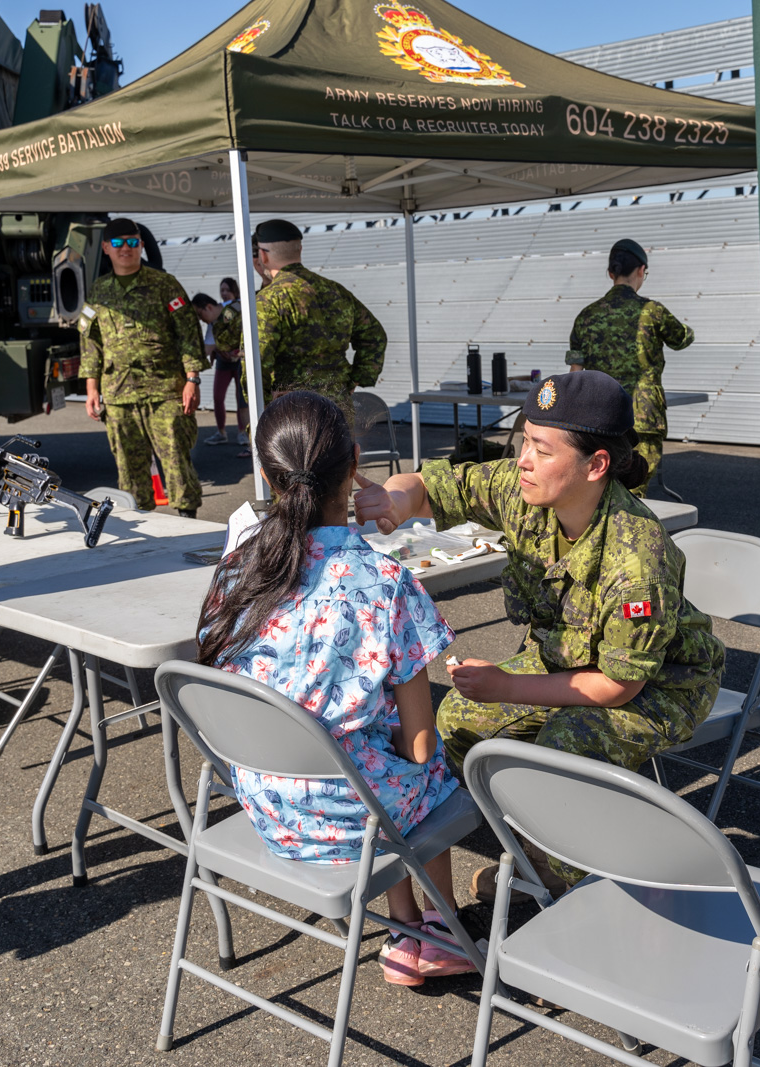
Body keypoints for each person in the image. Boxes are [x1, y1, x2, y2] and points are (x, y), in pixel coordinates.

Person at [353, 370, 725, 891]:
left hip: (661, 684)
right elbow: (427, 486)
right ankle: (535, 843)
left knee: (563, 747)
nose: (523, 459)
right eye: (524, 440)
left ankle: (571, 880)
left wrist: (506, 685)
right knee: (458, 720)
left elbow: (618, 685)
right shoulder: (523, 486)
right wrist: (395, 500)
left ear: (596, 465)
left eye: (542, 450)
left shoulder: (638, 561)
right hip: (567, 657)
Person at [197, 390, 474, 985]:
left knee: (371, 748)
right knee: (420, 763)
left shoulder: (237, 572)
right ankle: (441, 931)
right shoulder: (384, 581)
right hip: (355, 818)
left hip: (267, 802)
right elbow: (420, 743)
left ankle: (405, 927)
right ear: (354, 464)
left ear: (267, 473)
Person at [80, 218, 208, 517]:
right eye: (118, 243)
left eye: (132, 242)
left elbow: (188, 332)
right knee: (129, 468)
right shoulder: (98, 291)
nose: (125, 248)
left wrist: (192, 380)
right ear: (106, 248)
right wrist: (91, 389)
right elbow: (89, 342)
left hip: (165, 390)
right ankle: (142, 525)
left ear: (141, 246)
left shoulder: (165, 284)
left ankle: (189, 522)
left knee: (176, 460)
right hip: (119, 395)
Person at [566, 238, 694, 496]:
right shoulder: (652, 311)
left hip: (600, 418)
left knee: (599, 490)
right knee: (635, 490)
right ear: (641, 270)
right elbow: (682, 338)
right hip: (643, 416)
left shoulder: (586, 316)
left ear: (611, 273)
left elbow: (575, 374)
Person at [253, 218, 387, 426]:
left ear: (263, 255)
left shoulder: (268, 299)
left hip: (291, 409)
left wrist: (263, 402)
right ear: (300, 249)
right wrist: (355, 379)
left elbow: (256, 359)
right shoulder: (336, 291)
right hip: (337, 404)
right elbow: (375, 336)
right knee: (341, 448)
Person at [191, 293, 249, 448]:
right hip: (225, 362)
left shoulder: (233, 309)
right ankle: (221, 432)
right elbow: (206, 350)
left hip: (243, 361)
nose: (200, 319)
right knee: (218, 396)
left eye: (200, 314)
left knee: (242, 400)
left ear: (209, 307)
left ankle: (244, 434)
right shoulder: (213, 326)